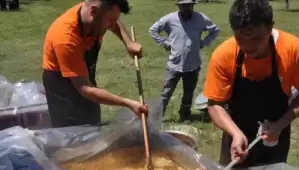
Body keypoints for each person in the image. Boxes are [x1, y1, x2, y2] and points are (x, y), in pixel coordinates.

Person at [203, 0, 299, 168]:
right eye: (240, 38)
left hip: (275, 138)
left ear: (270, 28)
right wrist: (235, 133)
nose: (248, 46)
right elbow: (214, 104)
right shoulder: (223, 55)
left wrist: (279, 125)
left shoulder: (293, 51)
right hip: (235, 134)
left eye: (256, 38)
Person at [42, 0, 148, 128]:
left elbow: (114, 22)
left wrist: (129, 43)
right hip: (62, 85)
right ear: (93, 11)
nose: (112, 25)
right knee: (72, 134)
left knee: (92, 123)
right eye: (110, 20)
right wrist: (127, 103)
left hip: (84, 77)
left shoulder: (98, 17)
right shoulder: (65, 38)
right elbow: (84, 88)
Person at [149, 0, 219, 120]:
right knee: (166, 92)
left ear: (193, 5)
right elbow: (153, 30)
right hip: (174, 64)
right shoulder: (170, 19)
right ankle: (157, 117)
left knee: (188, 93)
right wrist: (165, 43)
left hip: (193, 64)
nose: (186, 8)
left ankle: (185, 115)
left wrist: (203, 43)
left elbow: (215, 30)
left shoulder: (200, 18)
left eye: (189, 5)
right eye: (183, 6)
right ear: (179, 6)